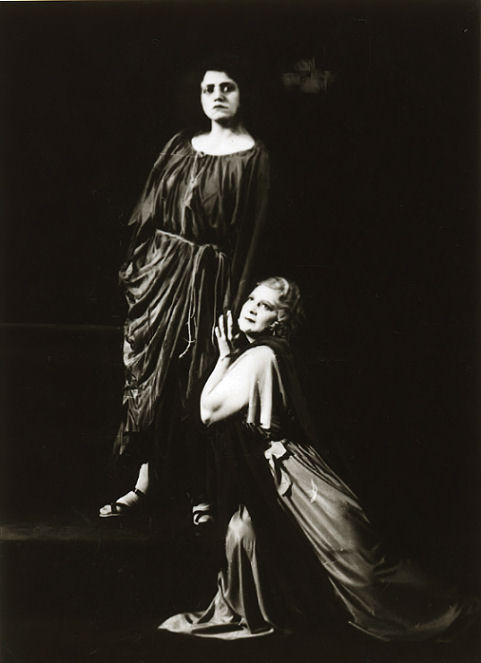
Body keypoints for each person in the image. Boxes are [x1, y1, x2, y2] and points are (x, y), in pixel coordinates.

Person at [159, 276, 478, 640]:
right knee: (251, 534)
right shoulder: (261, 353)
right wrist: (227, 358)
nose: (252, 308)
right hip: (277, 472)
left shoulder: (262, 356)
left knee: (361, 568)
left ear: (279, 320)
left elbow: (207, 412)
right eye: (251, 300)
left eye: (265, 306)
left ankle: (456, 611)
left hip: (293, 473)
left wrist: (224, 358)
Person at [99, 56, 270, 522]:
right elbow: (148, 210)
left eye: (227, 87)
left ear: (244, 93)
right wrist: (143, 269)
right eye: (208, 88)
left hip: (212, 281)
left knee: (197, 379)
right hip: (162, 277)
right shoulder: (179, 146)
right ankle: (145, 484)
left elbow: (253, 236)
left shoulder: (255, 157)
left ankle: (204, 491)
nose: (217, 96)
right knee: (153, 379)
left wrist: (234, 300)